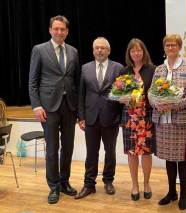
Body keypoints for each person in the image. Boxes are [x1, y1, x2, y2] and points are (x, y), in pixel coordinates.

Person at [28, 15, 80, 204]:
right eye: (56, 29)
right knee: (52, 149)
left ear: (67, 31)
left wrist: (79, 110)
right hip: (48, 108)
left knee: (68, 148)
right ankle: (53, 186)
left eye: (63, 29)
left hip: (69, 107)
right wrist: (36, 106)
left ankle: (65, 182)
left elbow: (75, 81)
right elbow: (32, 82)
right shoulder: (39, 50)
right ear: (50, 30)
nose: (59, 32)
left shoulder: (73, 51)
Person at [149, 34, 186, 210]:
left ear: (179, 47)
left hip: (181, 121)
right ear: (164, 48)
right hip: (163, 121)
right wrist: (156, 103)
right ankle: (172, 192)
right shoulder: (159, 69)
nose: (170, 48)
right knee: (169, 159)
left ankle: (183, 193)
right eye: (167, 45)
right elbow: (150, 93)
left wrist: (175, 105)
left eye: (174, 45)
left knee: (182, 159)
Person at [75, 37, 123, 199]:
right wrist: (81, 116)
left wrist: (121, 117)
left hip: (111, 118)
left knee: (110, 152)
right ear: (93, 50)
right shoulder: (85, 68)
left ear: (108, 51)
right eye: (97, 48)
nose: (100, 50)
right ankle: (89, 184)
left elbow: (123, 94)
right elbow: (81, 95)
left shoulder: (118, 68)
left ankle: (108, 180)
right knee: (91, 153)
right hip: (90, 118)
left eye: (103, 48)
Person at [119, 38, 156, 201]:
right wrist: (120, 98)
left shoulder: (152, 70)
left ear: (144, 52)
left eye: (139, 50)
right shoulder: (124, 71)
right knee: (132, 153)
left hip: (146, 117)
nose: (136, 53)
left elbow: (156, 93)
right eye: (133, 50)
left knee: (146, 153)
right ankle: (135, 185)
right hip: (129, 117)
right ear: (129, 53)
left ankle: (147, 183)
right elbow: (118, 93)